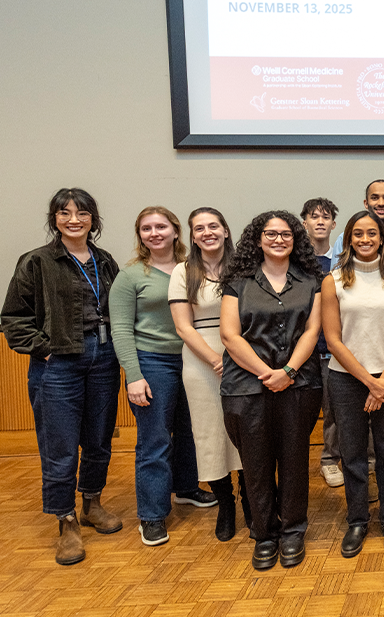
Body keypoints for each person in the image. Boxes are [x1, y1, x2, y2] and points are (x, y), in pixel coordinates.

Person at [1, 188, 123, 565]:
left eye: (82, 212)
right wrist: (46, 348)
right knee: (60, 448)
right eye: (65, 213)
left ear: (93, 219)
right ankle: (65, 520)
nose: (74, 219)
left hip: (104, 358)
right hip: (58, 364)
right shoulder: (36, 261)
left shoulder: (105, 261)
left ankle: (91, 503)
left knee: (100, 439)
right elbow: (14, 319)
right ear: (54, 219)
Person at [219, 211, 323, 570]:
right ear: (257, 239)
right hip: (247, 386)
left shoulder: (312, 279)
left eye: (286, 234)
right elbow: (230, 335)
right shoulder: (238, 280)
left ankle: (292, 530)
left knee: (294, 458)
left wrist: (289, 371)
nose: (279, 240)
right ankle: (264, 534)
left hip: (300, 383)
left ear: (296, 239)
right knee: (256, 462)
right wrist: (268, 373)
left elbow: (312, 331)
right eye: (270, 234)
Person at [110, 206, 216, 548]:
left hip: (191, 358)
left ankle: (185, 489)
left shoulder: (192, 269)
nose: (154, 233)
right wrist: (134, 375)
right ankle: (152, 515)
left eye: (161, 226)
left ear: (175, 231)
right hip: (152, 362)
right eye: (146, 228)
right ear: (140, 235)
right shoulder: (131, 276)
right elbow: (122, 330)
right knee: (155, 440)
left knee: (189, 431)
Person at [322, 211, 384, 558]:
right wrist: (369, 383)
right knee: (353, 454)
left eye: (371, 233)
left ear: (382, 238)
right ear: (348, 239)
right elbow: (333, 339)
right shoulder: (334, 281)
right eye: (357, 234)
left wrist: (383, 381)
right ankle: (357, 520)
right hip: (346, 380)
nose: (364, 239)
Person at [168, 207, 248, 542]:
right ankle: (226, 505)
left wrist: (235, 358)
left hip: (245, 355)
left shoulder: (245, 267)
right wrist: (216, 361)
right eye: (199, 228)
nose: (207, 232)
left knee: (246, 430)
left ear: (226, 230)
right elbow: (183, 327)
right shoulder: (183, 272)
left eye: (213, 225)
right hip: (201, 360)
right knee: (210, 432)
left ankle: (252, 502)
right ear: (192, 235)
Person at [301, 197, 344, 488]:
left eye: (325, 217)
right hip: (299, 352)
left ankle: (330, 460)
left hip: (330, 350)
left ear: (333, 224)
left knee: (333, 410)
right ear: (303, 222)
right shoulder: (294, 261)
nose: (319, 221)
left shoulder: (342, 262)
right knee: (298, 412)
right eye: (313, 217)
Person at [331, 179, 384, 267]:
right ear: (366, 203)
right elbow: (336, 277)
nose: (381, 203)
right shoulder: (344, 238)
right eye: (375, 198)